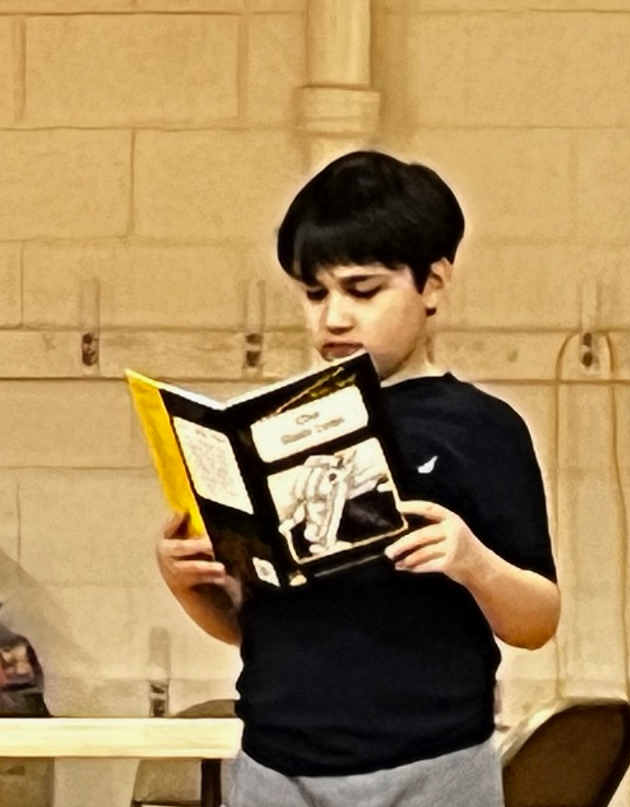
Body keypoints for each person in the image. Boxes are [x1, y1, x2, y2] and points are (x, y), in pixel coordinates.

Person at [152, 150, 561, 807]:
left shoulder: (480, 428)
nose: (333, 317)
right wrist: (187, 581)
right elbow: (254, 626)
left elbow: (538, 618)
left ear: (433, 283)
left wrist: (472, 560)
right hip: (276, 763)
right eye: (315, 294)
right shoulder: (283, 427)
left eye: (363, 290)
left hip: (432, 764)